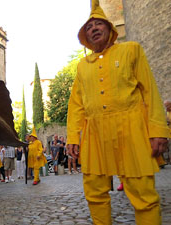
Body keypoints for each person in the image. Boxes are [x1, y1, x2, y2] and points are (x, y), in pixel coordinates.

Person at [66, 1, 170, 224]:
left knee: (144, 195)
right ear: (85, 36)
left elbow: (150, 91)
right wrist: (73, 136)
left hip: (131, 129)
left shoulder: (131, 50)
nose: (93, 28)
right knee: (94, 193)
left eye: (98, 24)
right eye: (88, 26)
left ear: (110, 28)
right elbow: (76, 105)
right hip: (95, 133)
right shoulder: (82, 66)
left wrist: (158, 130)